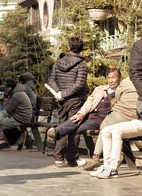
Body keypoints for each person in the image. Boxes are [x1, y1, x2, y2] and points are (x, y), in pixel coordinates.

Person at [88, 39, 142, 179]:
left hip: (133, 118)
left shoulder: (126, 83)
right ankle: (107, 166)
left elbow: (117, 97)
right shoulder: (131, 81)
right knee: (106, 130)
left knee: (115, 129)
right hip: (139, 118)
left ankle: (112, 168)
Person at [46, 68, 121, 167]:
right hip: (90, 115)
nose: (111, 80)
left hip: (102, 120)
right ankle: (56, 132)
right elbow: (89, 102)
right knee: (75, 119)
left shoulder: (121, 92)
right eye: (109, 77)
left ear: (119, 78)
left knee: (77, 129)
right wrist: (81, 113)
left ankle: (69, 156)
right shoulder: (100, 89)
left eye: (113, 78)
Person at [46, 37, 89, 166]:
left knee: (62, 125)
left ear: (69, 47)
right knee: (73, 128)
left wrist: (59, 93)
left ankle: (59, 157)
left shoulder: (58, 63)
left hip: (61, 100)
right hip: (76, 100)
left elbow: (51, 80)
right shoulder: (81, 65)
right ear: (81, 49)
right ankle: (71, 158)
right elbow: (79, 84)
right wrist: (63, 93)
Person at [82, 75, 138, 170]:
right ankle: (115, 158)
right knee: (111, 128)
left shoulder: (126, 81)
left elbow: (117, 96)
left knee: (105, 128)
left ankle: (97, 157)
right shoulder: (128, 82)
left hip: (123, 113)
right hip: (135, 117)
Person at [0, 79, 32, 153]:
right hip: (20, 116)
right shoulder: (18, 92)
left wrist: (5, 98)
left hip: (21, 118)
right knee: (1, 117)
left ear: (10, 87)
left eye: (6, 87)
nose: (5, 89)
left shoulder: (17, 95)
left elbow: (7, 109)